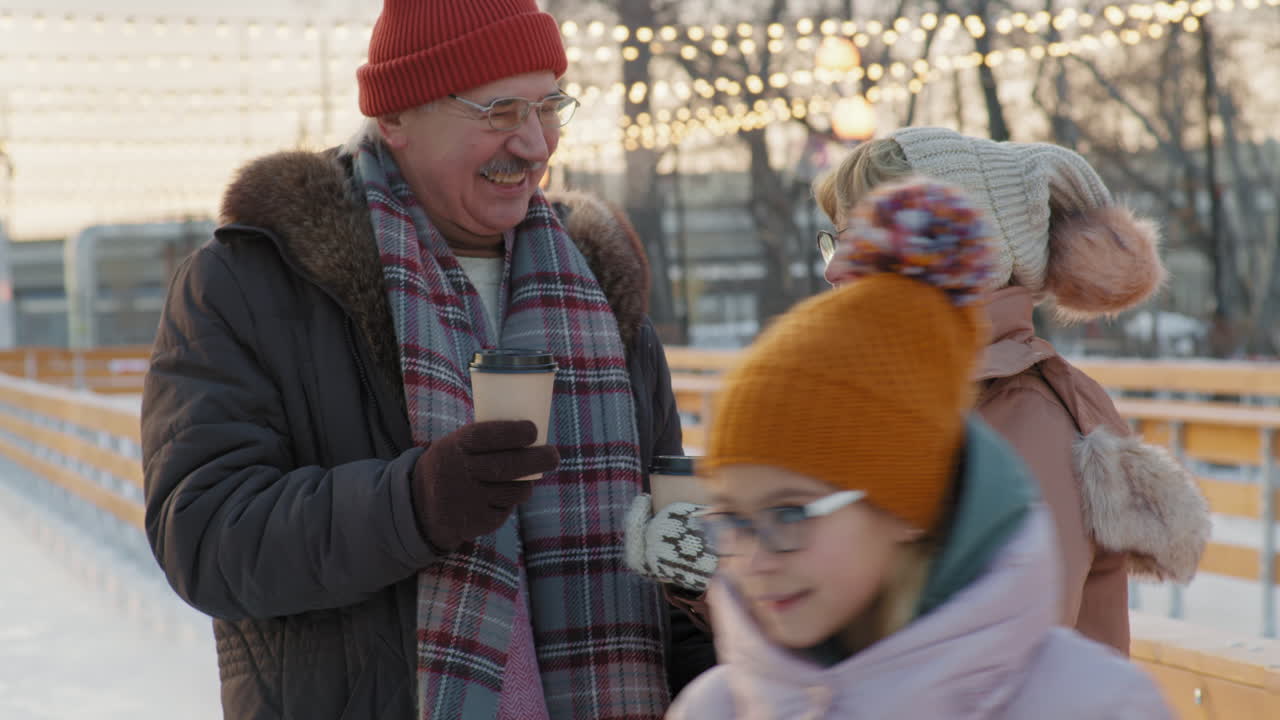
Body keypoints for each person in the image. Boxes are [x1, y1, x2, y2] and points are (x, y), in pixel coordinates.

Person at [141, 1, 707, 717]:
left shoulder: (605, 293)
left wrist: (720, 632)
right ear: (396, 118)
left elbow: (665, 566)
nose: (535, 144)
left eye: (548, 106)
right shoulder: (253, 283)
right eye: (500, 111)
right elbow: (204, 537)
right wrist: (415, 503)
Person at [667, 179, 1174, 720]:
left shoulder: (1090, 704)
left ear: (904, 506)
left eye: (789, 514)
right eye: (731, 521)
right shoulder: (717, 707)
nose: (754, 560)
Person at [813, 128, 1210, 654]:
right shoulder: (896, 403)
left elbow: (993, 664)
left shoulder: (1024, 420)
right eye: (837, 241)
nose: (836, 269)